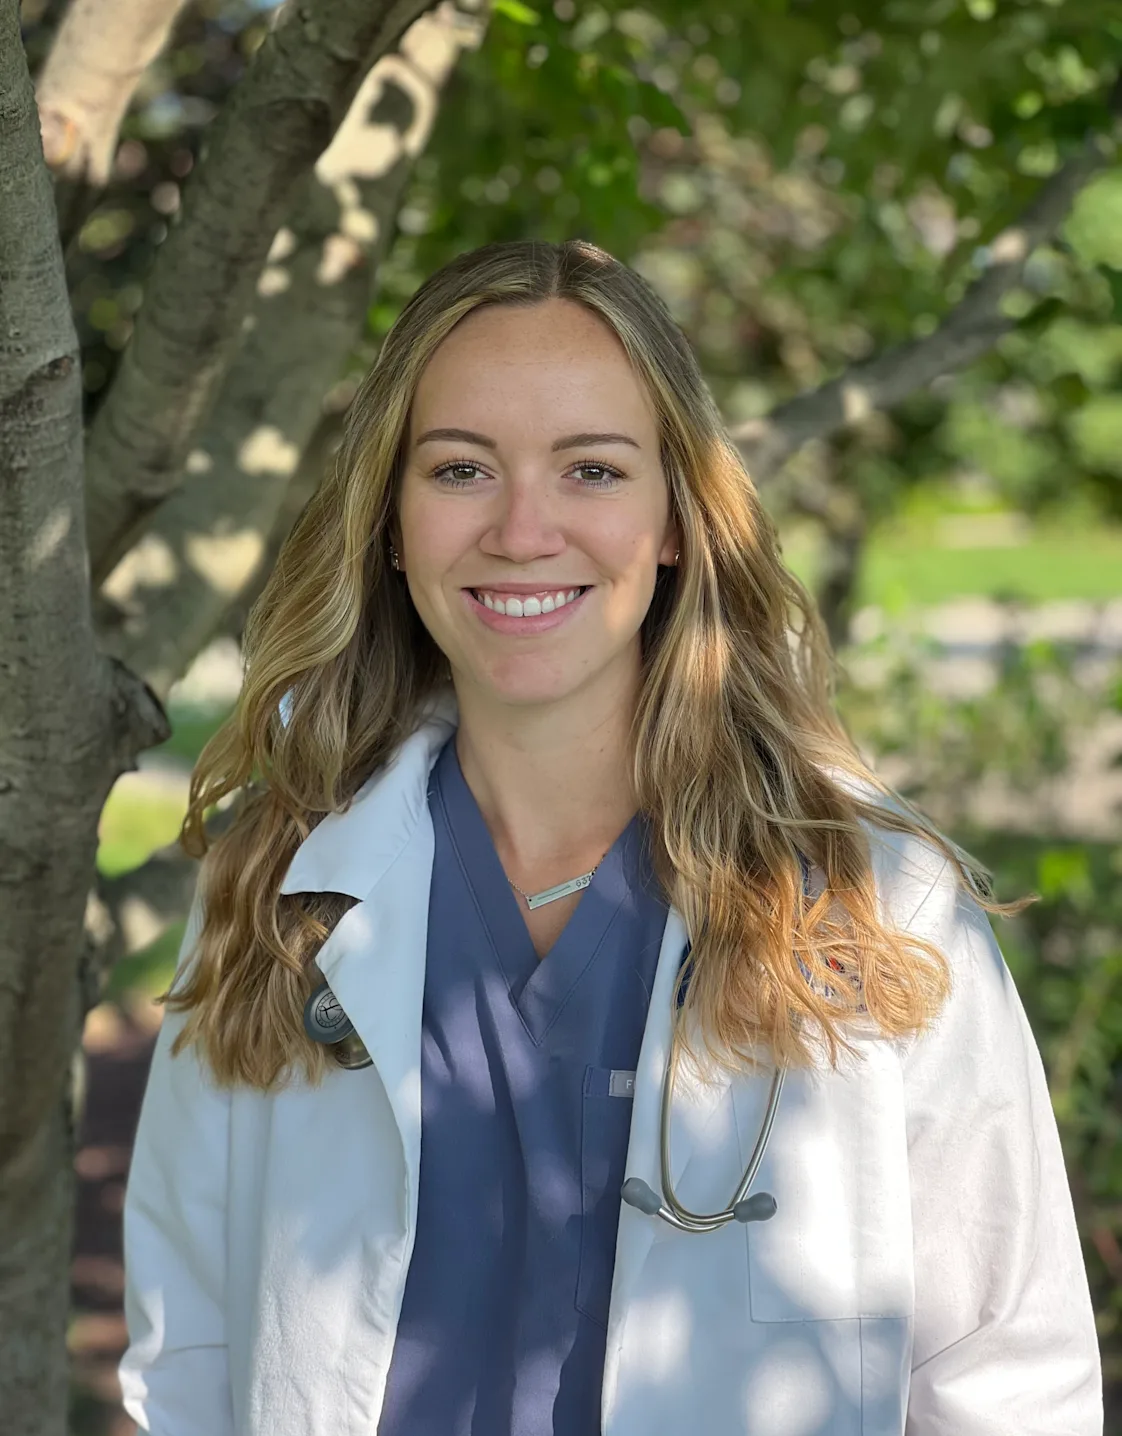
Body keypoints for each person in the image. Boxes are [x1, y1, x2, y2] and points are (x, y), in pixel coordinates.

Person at [119, 238, 1102, 1436]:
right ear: (389, 519)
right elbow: (190, 1353)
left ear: (679, 520)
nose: (524, 529)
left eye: (591, 468)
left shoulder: (878, 896)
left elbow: (1006, 1377)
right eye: (461, 467)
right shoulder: (280, 887)